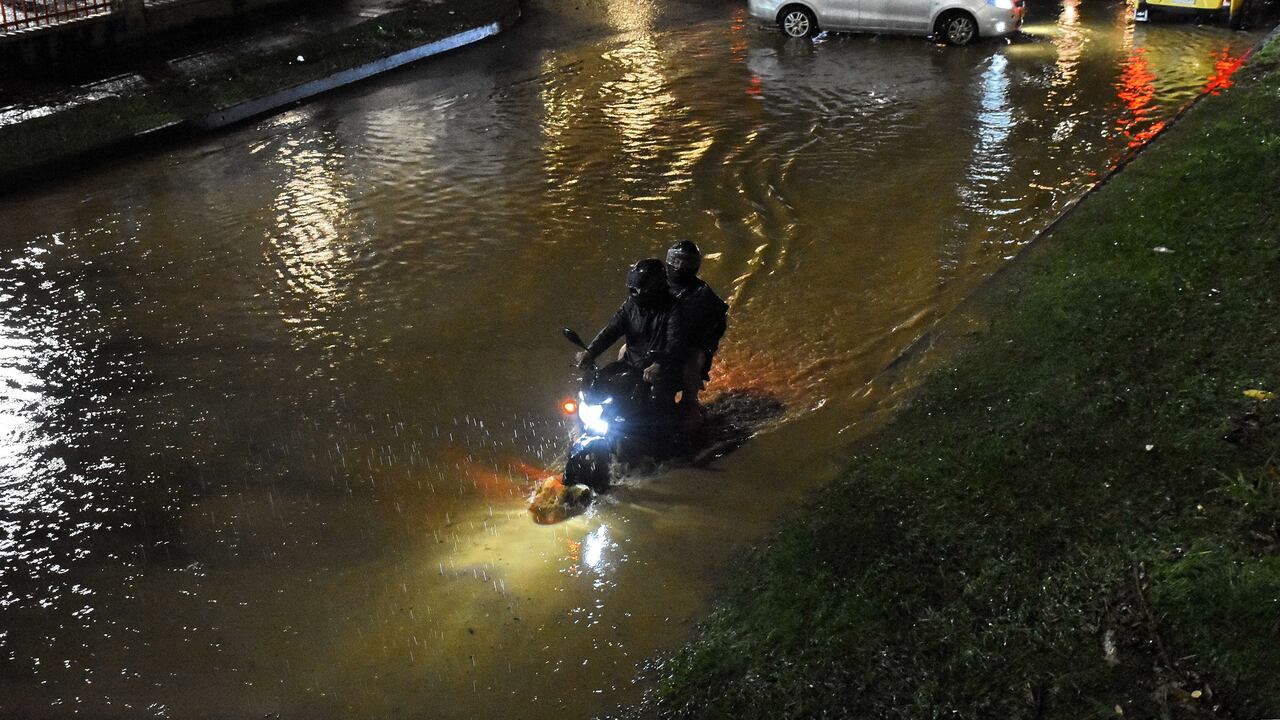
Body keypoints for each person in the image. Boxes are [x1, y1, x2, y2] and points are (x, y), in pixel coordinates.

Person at [575, 258, 682, 391]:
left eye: (639, 287)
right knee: (597, 384)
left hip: (659, 371)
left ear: (655, 286)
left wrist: (659, 364)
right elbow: (612, 330)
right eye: (634, 287)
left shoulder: (674, 309)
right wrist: (591, 352)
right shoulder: (631, 305)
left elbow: (675, 343)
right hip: (630, 364)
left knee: (658, 404)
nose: (634, 291)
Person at [664, 240, 728, 417]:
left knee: (692, 363)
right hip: (657, 342)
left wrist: (704, 345)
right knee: (625, 350)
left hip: (686, 348)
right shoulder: (657, 286)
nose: (680, 266)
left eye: (685, 262)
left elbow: (718, 323)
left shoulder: (702, 294)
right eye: (676, 261)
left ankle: (690, 402)